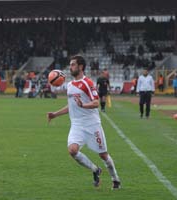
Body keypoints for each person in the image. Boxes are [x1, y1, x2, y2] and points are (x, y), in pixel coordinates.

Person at [47, 55, 121, 189]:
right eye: (70, 64)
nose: (71, 67)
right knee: (72, 150)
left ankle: (115, 179)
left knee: (103, 155)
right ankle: (95, 170)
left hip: (92, 125)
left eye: (73, 64)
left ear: (81, 67)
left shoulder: (88, 83)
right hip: (77, 125)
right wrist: (55, 114)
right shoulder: (70, 85)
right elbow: (71, 106)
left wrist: (84, 106)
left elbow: (96, 102)